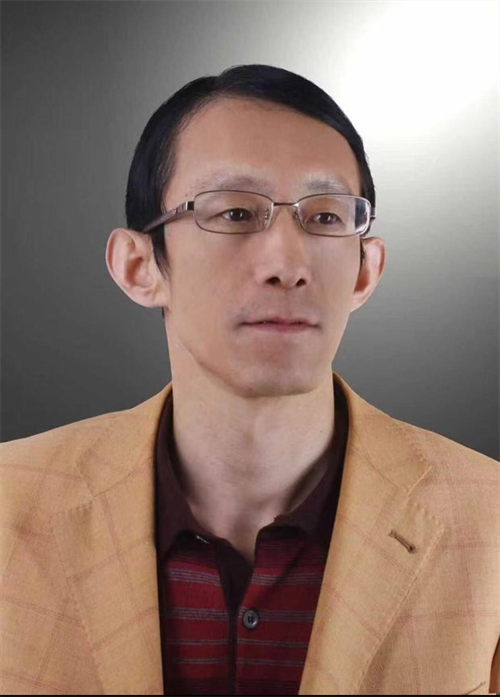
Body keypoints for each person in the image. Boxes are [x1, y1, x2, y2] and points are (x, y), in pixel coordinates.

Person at [1, 64, 498, 696]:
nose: (287, 265)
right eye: (235, 212)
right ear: (139, 266)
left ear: (364, 271)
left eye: (325, 218)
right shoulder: (9, 505)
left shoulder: (489, 523)